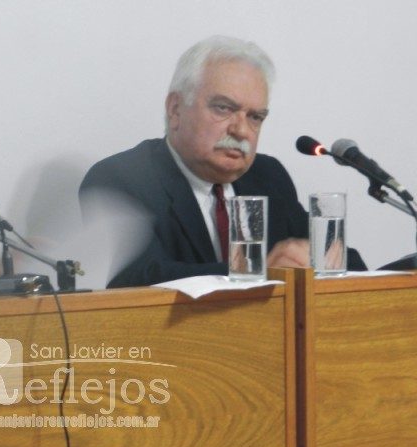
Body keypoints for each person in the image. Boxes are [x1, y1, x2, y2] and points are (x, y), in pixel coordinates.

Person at [79, 35, 364, 287]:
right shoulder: (121, 179)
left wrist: (320, 261)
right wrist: (261, 271)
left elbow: (349, 264)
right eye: (224, 108)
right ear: (176, 109)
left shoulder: (268, 176)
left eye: (255, 117)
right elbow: (139, 278)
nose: (241, 130)